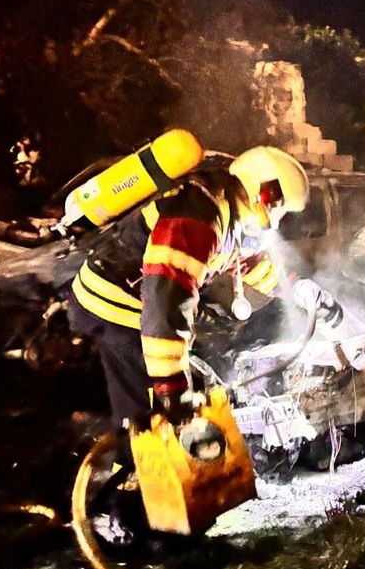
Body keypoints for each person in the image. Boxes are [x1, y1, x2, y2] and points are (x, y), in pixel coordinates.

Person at [67, 145, 342, 432]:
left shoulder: (228, 212)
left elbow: (249, 263)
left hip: (133, 308)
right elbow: (167, 300)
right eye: (281, 208)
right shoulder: (198, 216)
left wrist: (299, 289)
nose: (280, 218)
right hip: (113, 308)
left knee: (186, 391)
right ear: (265, 193)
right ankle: (130, 469)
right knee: (148, 420)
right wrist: (172, 385)